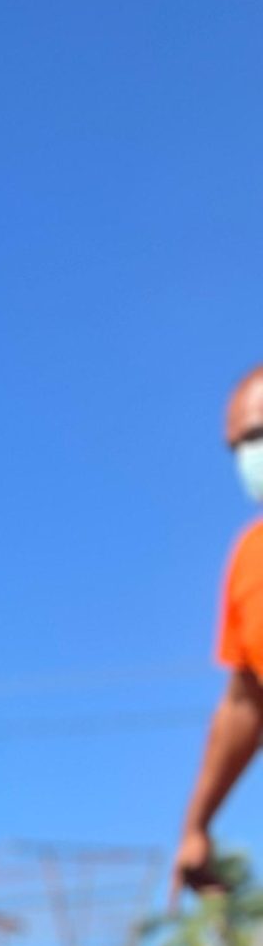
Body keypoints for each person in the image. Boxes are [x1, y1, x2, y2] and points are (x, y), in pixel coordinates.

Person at [169, 365, 263, 909]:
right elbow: (246, 700)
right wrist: (196, 827)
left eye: (257, 435)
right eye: (238, 447)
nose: (248, 457)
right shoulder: (250, 559)